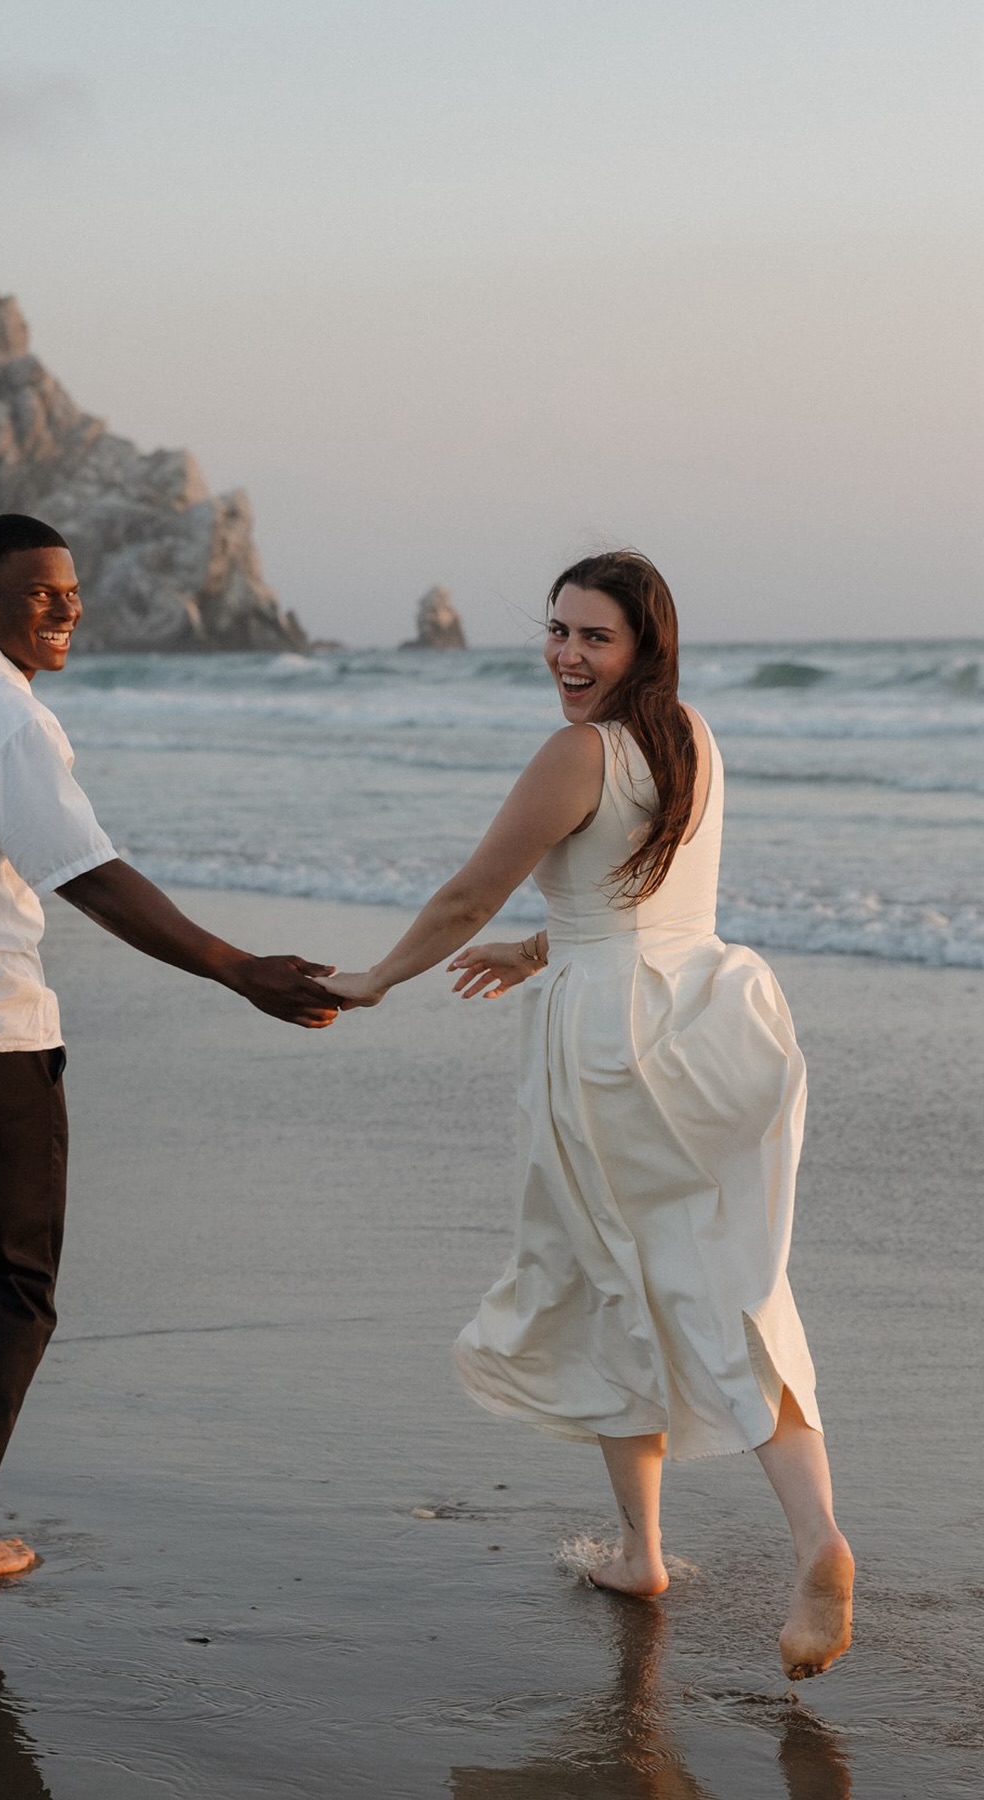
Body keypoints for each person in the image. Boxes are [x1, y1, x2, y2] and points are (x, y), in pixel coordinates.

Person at [319, 551, 853, 1681]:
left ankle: (664, 1549)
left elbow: (469, 893)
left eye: (594, 636)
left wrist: (375, 979)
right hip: (711, 1018)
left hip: (614, 1044)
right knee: (734, 1283)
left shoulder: (580, 753)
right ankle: (766, 1540)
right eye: (557, 631)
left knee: (612, 1278)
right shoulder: (691, 735)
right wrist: (536, 950)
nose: (567, 654)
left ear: (641, 646)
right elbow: (639, 899)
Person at [0, 513, 338, 1580]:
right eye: (41, 592)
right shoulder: (8, 718)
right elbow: (92, 877)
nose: (66, 608)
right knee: (15, 1280)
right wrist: (237, 968)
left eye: (72, 592)